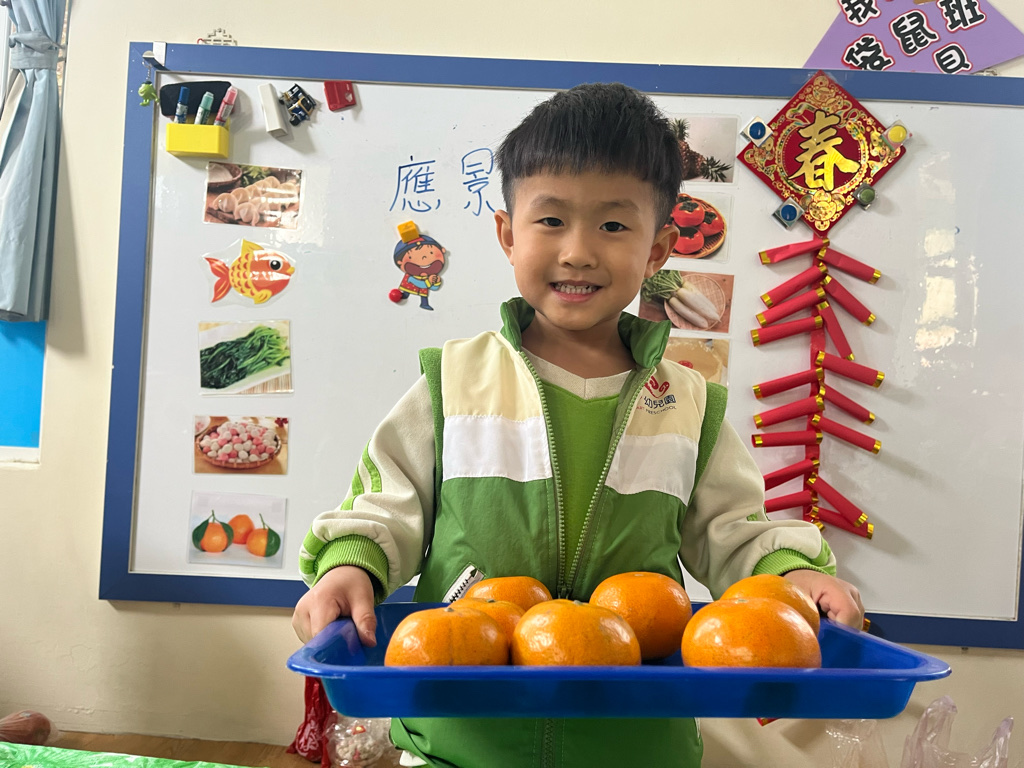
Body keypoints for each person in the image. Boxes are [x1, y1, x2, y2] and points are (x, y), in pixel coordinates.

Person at [292, 82, 864, 767]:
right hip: (458, 741)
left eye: (614, 226)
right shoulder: (453, 382)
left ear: (658, 250)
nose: (578, 252)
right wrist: (348, 565)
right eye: (551, 220)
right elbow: (386, 507)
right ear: (508, 236)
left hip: (636, 747)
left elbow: (737, 534)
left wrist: (792, 573)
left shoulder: (688, 402)